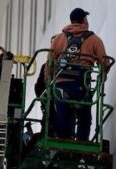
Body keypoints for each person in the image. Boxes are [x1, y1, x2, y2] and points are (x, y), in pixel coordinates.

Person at [47, 8, 110, 141]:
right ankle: (82, 142)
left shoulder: (59, 39)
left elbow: (49, 64)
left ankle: (62, 144)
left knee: (62, 115)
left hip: (60, 85)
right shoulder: (94, 39)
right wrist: (103, 75)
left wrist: (48, 81)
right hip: (81, 85)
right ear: (84, 20)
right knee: (84, 116)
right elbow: (105, 63)